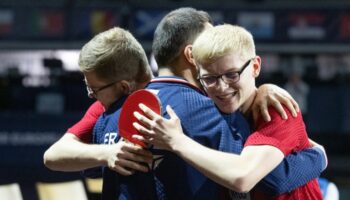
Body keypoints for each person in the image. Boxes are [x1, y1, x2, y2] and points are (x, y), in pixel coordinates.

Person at [91, 8, 327, 199]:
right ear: (194, 61)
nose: (222, 87)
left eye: (232, 75)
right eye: (211, 79)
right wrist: (107, 152)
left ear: (255, 67)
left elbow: (254, 178)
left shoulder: (275, 108)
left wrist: (316, 154)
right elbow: (54, 157)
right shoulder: (209, 110)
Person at [44, 27, 154, 176]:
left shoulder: (172, 102)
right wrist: (106, 152)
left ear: (124, 86)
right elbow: (52, 155)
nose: (91, 95)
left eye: (94, 89)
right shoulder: (101, 109)